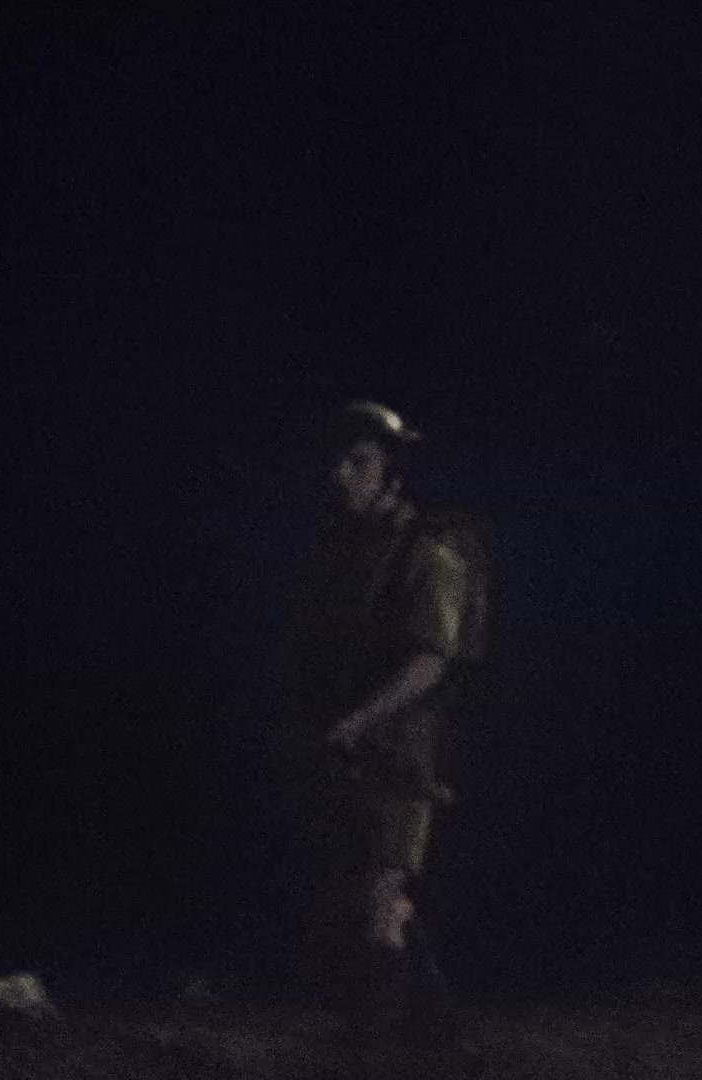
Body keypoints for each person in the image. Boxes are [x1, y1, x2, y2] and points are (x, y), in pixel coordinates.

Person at [280, 400, 474, 1042]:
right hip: (351, 749)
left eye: (359, 462)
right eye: (337, 461)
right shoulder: (345, 552)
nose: (341, 475)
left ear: (394, 472)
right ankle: (434, 1031)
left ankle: (372, 1039)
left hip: (404, 750)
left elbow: (430, 661)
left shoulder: (429, 553)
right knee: (362, 891)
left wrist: (360, 721)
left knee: (382, 898)